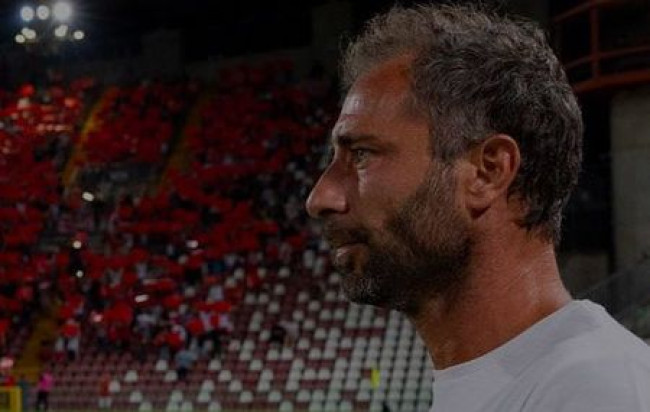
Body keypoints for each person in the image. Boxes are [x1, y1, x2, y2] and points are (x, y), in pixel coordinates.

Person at [305, 4, 650, 412]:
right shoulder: (523, 383)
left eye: (362, 154)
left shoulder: (594, 391)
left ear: (488, 171)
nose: (319, 198)